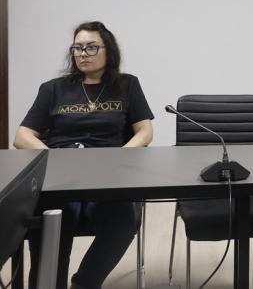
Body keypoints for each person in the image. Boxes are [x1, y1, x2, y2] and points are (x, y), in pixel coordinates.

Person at [14, 21, 154, 289]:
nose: (83, 53)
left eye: (91, 47)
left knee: (124, 220)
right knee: (53, 220)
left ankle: (85, 283)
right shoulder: (53, 89)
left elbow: (145, 131)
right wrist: (55, 158)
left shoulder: (127, 85)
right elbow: (22, 136)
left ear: (108, 50)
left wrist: (120, 157)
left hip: (108, 177)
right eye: (77, 48)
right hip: (61, 178)